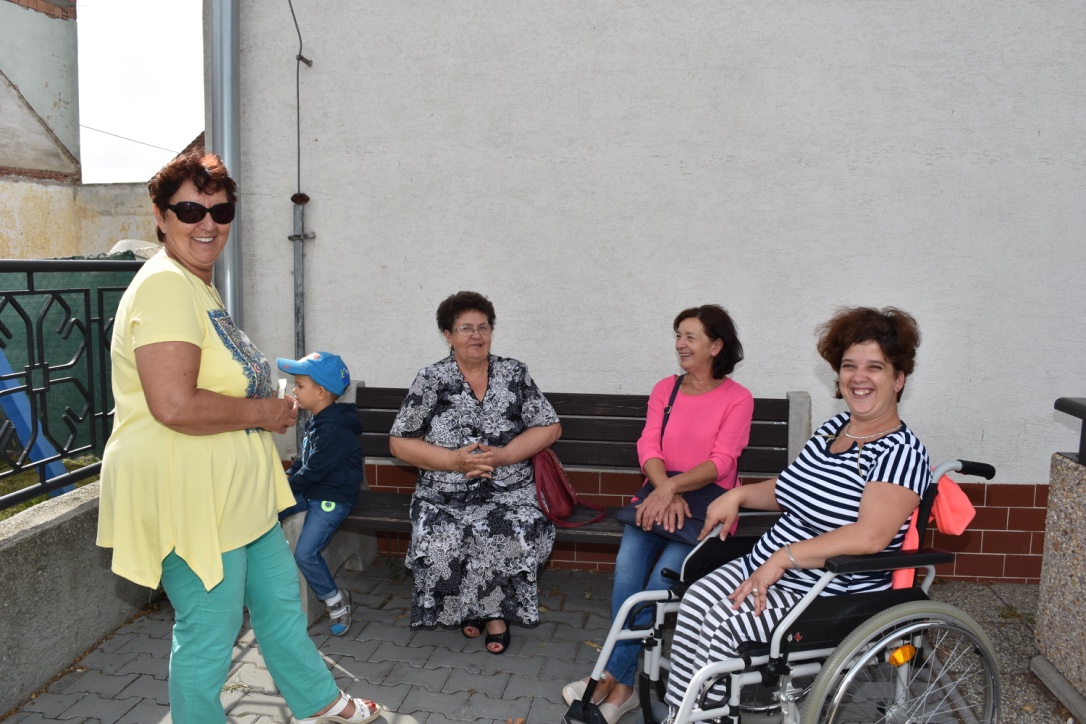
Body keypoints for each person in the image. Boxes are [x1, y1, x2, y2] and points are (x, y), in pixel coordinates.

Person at [96, 149, 382, 724]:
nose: (207, 223)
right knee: (210, 627)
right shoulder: (165, 288)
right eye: (190, 210)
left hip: (238, 494)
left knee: (279, 604)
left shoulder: (197, 285)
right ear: (160, 215)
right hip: (190, 493)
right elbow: (174, 404)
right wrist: (265, 413)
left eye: (220, 211)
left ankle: (318, 702)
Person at [661, 306, 932, 717]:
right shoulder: (833, 431)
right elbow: (789, 490)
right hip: (771, 569)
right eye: (849, 365)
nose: (858, 377)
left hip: (826, 592)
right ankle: (681, 715)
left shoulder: (901, 453)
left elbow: (870, 536)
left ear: (898, 379)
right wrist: (739, 496)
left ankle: (701, 717)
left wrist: (784, 559)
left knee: (722, 628)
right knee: (696, 603)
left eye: (874, 367)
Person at [562, 305, 755, 723]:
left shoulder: (737, 398)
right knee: (627, 572)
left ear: (716, 346)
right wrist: (665, 488)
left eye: (690, 337)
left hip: (708, 507)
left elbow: (722, 461)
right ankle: (623, 687)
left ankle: (609, 677)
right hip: (658, 494)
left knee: (657, 584)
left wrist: (672, 488)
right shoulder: (666, 389)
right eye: (678, 335)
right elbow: (648, 445)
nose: (680, 344)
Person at [388, 290, 561, 654]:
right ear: (448, 335)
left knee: (509, 527)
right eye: (466, 328)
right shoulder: (432, 379)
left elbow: (549, 427)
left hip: (508, 487)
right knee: (441, 536)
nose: (476, 335)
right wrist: (454, 461)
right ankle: (471, 607)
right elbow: (399, 443)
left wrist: (504, 455)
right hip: (444, 491)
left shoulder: (513, 373)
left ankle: (493, 614)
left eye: (483, 327)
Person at [277, 351, 363, 637]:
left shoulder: (334, 430)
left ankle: (335, 599)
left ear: (321, 393)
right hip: (313, 490)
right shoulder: (319, 420)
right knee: (267, 516)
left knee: (305, 553)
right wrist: (289, 475)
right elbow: (305, 461)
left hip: (332, 498)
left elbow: (314, 471)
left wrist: (286, 487)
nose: (294, 390)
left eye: (300, 385)